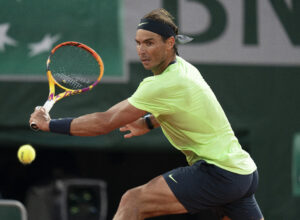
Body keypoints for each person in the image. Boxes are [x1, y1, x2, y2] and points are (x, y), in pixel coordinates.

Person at [30, 8, 264, 220]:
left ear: (170, 43)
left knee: (133, 201)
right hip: (243, 174)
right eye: (138, 43)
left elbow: (105, 122)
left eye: (150, 43)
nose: (142, 50)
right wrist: (148, 123)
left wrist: (50, 125)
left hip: (219, 173)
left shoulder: (162, 84)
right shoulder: (184, 69)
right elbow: (182, 110)